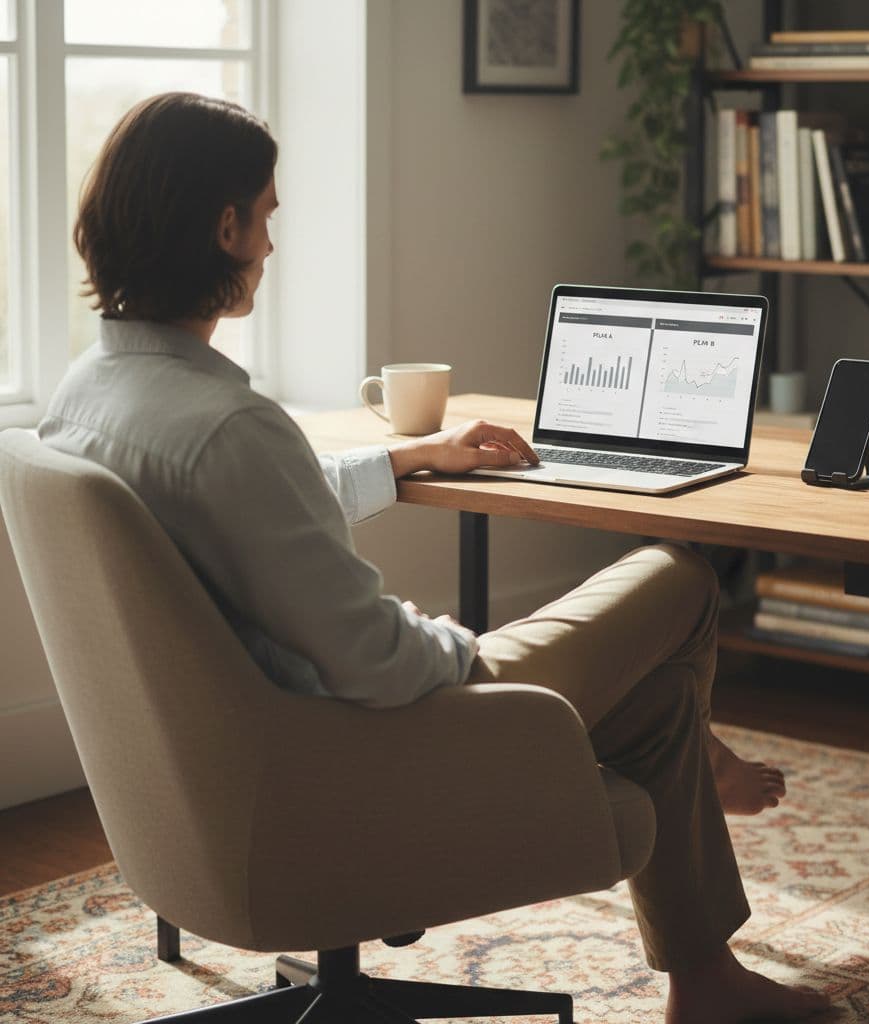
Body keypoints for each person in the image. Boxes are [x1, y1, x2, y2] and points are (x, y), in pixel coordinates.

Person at [39, 93, 828, 1023]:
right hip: (356, 751)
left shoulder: (94, 396)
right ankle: (706, 762)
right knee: (680, 580)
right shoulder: (227, 428)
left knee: (653, 704)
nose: (273, 243)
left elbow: (244, 516)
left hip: (221, 774)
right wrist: (469, 650)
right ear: (224, 228)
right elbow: (378, 660)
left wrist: (402, 458)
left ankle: (707, 977)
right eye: (266, 217)